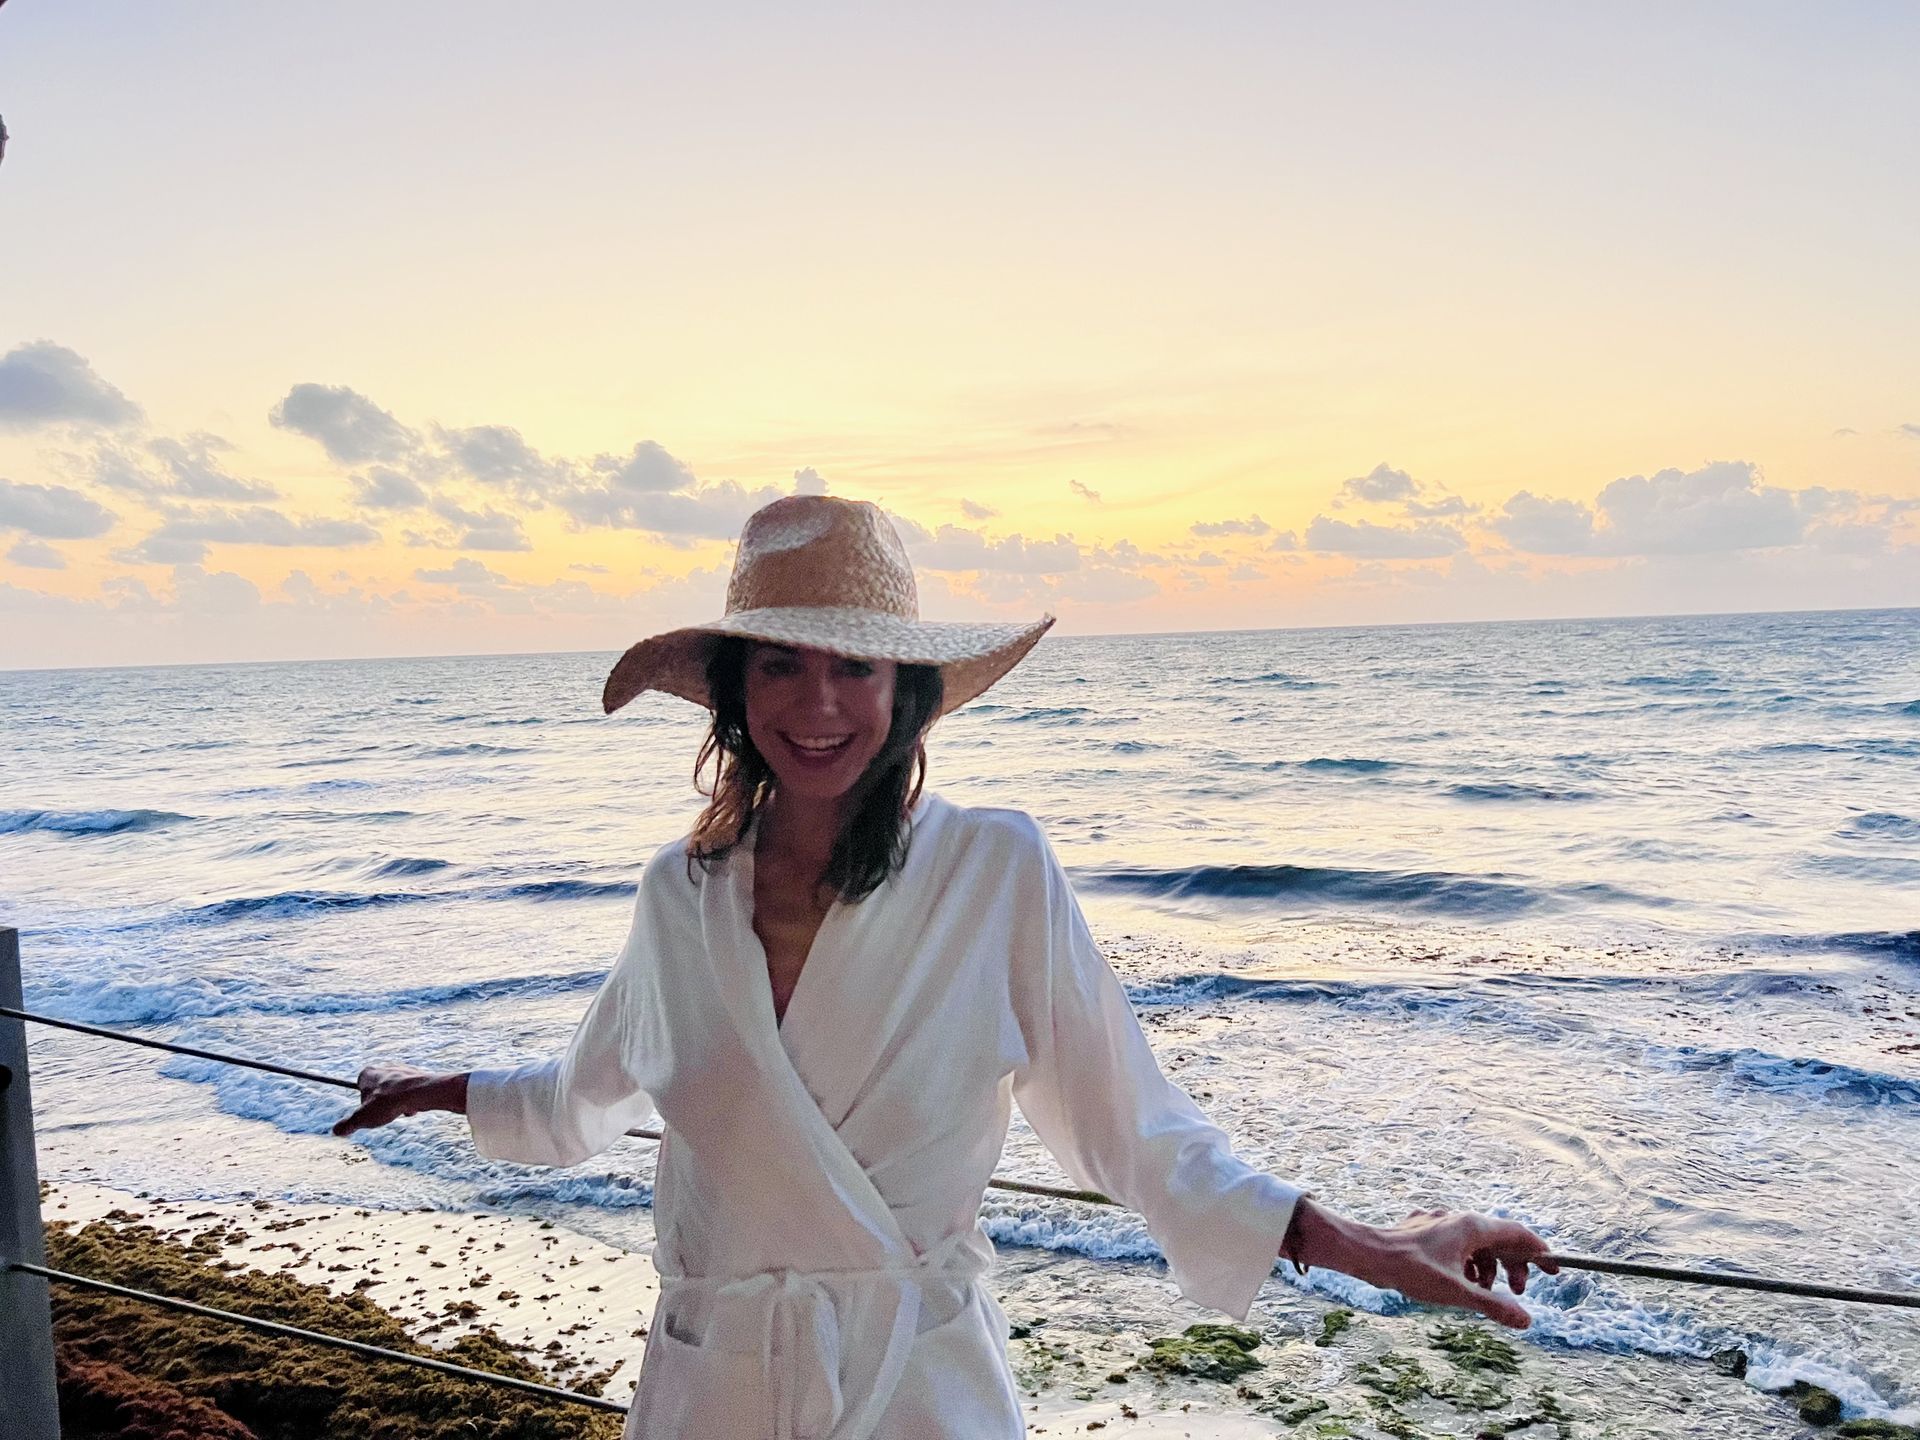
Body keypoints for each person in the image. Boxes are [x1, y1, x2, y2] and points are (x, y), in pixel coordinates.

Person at [334, 494, 1555, 1439]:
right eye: (780, 662)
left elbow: (1137, 1131)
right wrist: (440, 1088)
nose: (818, 704)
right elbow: (583, 1096)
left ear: (906, 693)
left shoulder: (995, 873)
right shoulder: (679, 896)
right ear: (733, 692)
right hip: (712, 1389)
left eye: (853, 665)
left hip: (917, 1387)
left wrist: (1372, 1246)